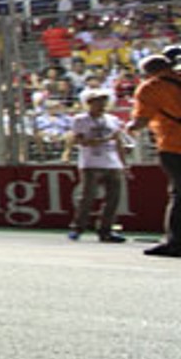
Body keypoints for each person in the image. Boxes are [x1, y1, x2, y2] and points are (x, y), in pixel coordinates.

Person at [128, 51, 181, 258]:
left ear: (147, 72)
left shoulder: (150, 88)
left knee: (178, 194)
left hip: (174, 145)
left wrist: (130, 127)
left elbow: (141, 122)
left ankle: (176, 243)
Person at [64, 88, 130, 242]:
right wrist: (106, 139)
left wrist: (124, 163)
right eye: (97, 102)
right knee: (87, 196)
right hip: (91, 163)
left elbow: (118, 142)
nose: (101, 105)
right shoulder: (80, 120)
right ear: (89, 103)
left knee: (113, 198)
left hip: (112, 162)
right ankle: (78, 227)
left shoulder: (112, 119)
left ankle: (106, 229)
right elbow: (81, 141)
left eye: (103, 102)